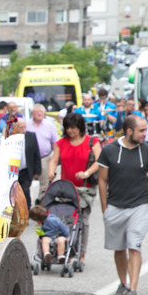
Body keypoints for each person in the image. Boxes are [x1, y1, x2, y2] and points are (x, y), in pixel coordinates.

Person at [93, 116, 148, 295]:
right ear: (129, 131)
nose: (145, 134)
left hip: (140, 205)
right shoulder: (109, 150)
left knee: (134, 245)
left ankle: (133, 289)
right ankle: (123, 283)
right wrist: (105, 207)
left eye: (145, 130)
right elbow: (102, 180)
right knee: (119, 248)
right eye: (141, 131)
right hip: (115, 206)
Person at [47, 112, 102, 266]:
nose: (69, 131)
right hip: (66, 187)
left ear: (80, 127)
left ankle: (81, 253)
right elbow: (54, 160)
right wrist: (51, 171)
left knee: (82, 220)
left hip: (85, 188)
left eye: (72, 128)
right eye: (67, 128)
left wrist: (86, 173)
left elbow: (100, 161)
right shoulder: (61, 143)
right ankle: (66, 250)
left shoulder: (92, 141)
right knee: (65, 218)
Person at [26, 104, 59, 204]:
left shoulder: (49, 125)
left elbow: (55, 142)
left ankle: (40, 205)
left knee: (44, 183)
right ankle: (28, 204)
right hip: (29, 159)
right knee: (27, 183)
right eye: (37, 111)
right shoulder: (27, 124)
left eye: (41, 111)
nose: (39, 113)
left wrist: (54, 157)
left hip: (44, 158)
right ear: (32, 113)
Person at [14, 118, 42, 208]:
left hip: (26, 170)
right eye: (21, 127)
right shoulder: (11, 138)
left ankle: (27, 208)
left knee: (25, 190)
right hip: (15, 170)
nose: (23, 129)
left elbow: (36, 155)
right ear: (15, 128)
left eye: (24, 127)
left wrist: (37, 171)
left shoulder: (31, 136)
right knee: (16, 192)